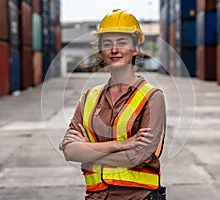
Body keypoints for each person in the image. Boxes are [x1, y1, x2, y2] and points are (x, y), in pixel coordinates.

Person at [59, 9, 166, 200]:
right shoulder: (89, 98)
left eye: (122, 43)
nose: (114, 50)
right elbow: (69, 150)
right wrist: (122, 144)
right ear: (101, 51)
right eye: (107, 44)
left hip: (139, 197)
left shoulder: (152, 97)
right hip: (95, 196)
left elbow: (136, 156)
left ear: (135, 48)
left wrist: (87, 151)